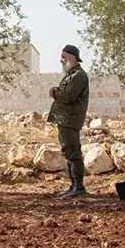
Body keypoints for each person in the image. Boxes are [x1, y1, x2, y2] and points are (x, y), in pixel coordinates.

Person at [47, 44, 90, 198]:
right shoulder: (72, 74)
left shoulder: (78, 75)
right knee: (68, 151)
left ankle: (78, 187)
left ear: (72, 57)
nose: (61, 60)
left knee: (73, 152)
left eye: (64, 57)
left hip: (71, 120)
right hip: (66, 120)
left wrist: (54, 92)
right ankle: (73, 186)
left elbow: (68, 95)